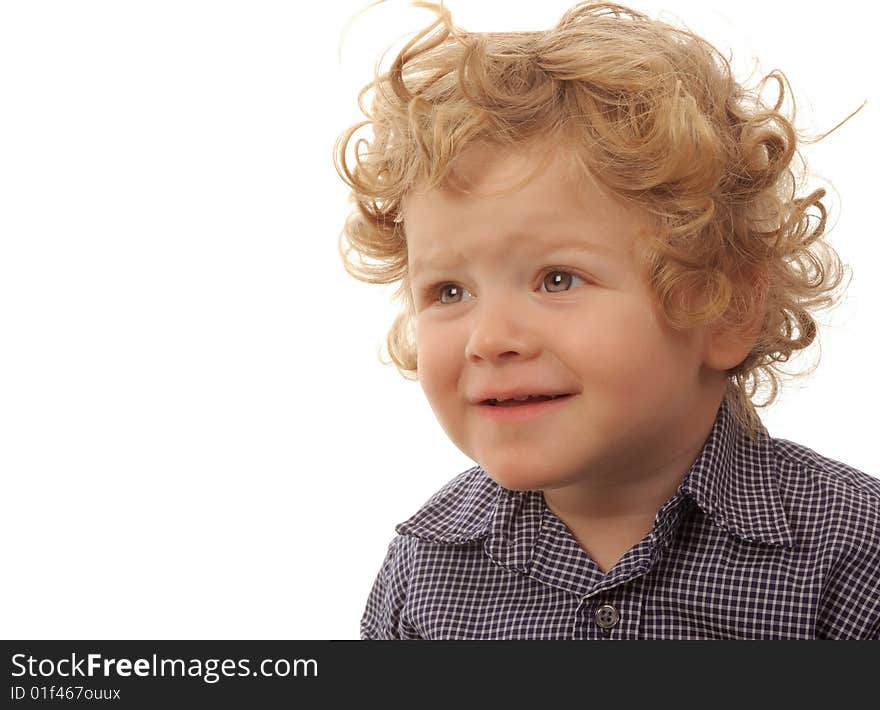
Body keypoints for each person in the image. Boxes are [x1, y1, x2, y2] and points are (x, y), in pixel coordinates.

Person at [333, 0, 878, 639]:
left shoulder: (851, 555)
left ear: (726, 307)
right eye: (449, 292)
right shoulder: (426, 571)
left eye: (557, 280)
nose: (490, 340)